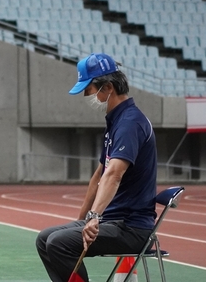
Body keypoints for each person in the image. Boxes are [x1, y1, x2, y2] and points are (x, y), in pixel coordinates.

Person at [36, 53, 157, 282]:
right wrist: (81, 220)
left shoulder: (130, 122)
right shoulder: (116, 120)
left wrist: (94, 217)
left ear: (108, 87)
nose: (87, 95)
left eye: (90, 89)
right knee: (45, 239)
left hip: (131, 228)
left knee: (58, 243)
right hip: (113, 222)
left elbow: (114, 173)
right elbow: (98, 176)